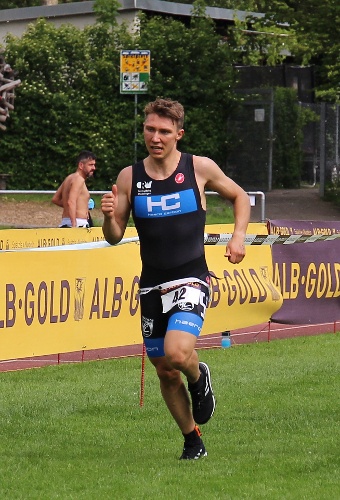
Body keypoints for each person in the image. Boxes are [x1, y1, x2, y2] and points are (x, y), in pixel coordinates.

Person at [101, 98, 250, 460]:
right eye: (150, 129)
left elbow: (240, 196)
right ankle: (192, 439)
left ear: (178, 135)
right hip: (151, 285)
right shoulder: (129, 177)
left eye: (164, 131)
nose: (156, 137)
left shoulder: (198, 168)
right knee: (166, 372)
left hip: (191, 279)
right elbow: (115, 234)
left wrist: (238, 235)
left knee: (177, 352)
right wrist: (105, 216)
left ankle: (199, 376)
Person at [52, 150, 96, 227]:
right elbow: (71, 201)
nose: (94, 168)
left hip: (66, 221)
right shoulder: (79, 179)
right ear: (81, 165)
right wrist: (74, 225)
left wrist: (77, 208)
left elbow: (55, 199)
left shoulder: (69, 178)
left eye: (94, 165)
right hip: (78, 223)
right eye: (90, 165)